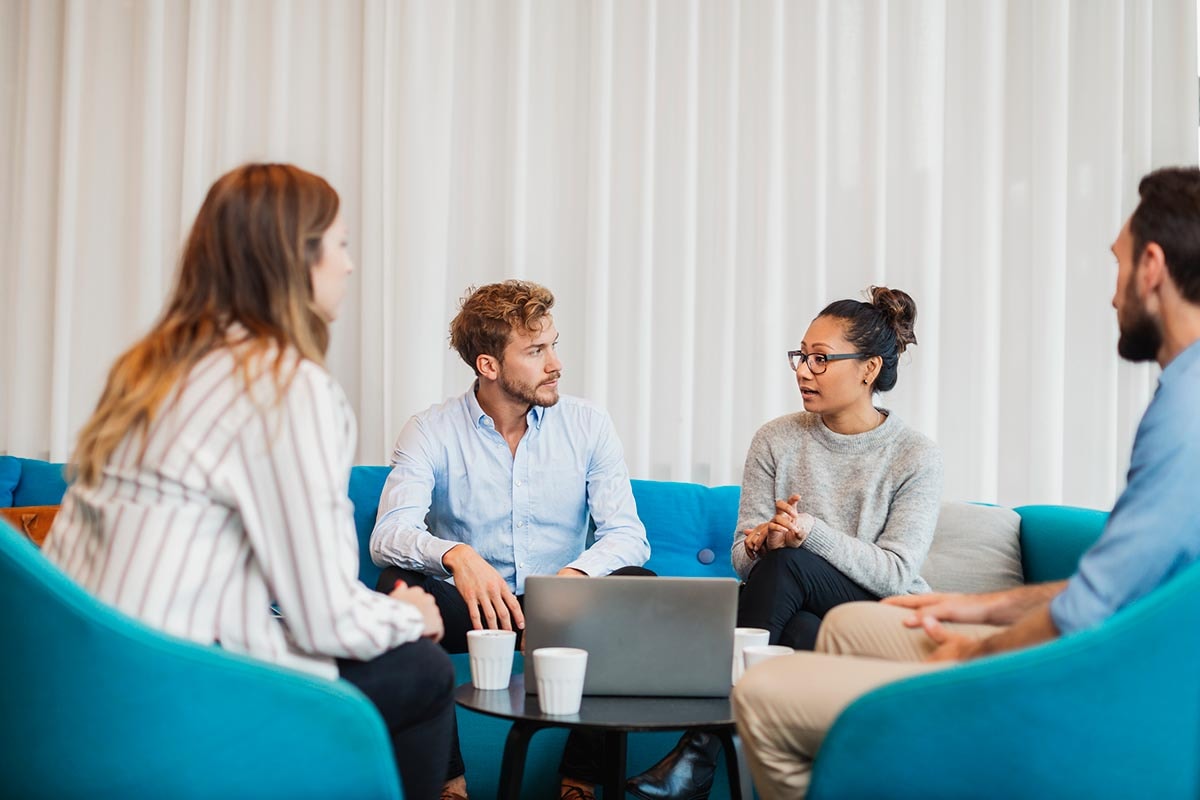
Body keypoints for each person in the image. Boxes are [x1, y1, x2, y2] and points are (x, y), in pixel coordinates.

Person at [731, 166, 1200, 798]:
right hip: (1109, 650)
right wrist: (978, 606)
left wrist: (972, 652)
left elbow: (1095, 605)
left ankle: (718, 741)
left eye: (1116, 267)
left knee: (763, 691)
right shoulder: (1181, 396)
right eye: (803, 357)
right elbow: (1120, 577)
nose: (1112, 296)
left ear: (1151, 267)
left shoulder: (1185, 411)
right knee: (837, 632)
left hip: (1100, 679)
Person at [41, 163, 454, 800]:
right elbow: (323, 618)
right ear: (297, 257)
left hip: (71, 694)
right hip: (167, 704)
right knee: (421, 667)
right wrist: (404, 613)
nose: (348, 266)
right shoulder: (284, 386)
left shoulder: (147, 370)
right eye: (340, 245)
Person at [627, 287, 943, 800]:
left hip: (885, 617)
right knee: (793, 618)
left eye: (821, 360)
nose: (803, 371)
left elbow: (895, 574)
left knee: (792, 562)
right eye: (801, 356)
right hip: (805, 614)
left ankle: (698, 753)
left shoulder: (915, 456)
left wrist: (806, 534)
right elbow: (740, 560)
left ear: (868, 369)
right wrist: (760, 543)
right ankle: (722, 763)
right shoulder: (777, 438)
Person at [370, 279, 652, 800]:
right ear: (489, 366)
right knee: (398, 587)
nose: (556, 364)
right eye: (537, 350)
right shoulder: (429, 430)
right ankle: (446, 784)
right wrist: (455, 555)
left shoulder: (588, 424)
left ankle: (579, 781)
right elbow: (388, 533)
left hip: (566, 611)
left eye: (554, 344)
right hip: (474, 610)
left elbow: (627, 536)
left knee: (637, 585)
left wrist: (569, 582)